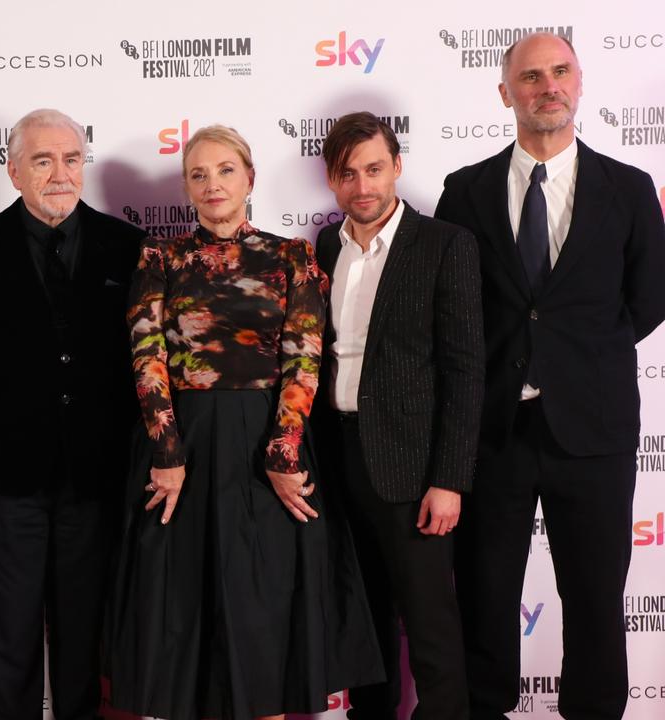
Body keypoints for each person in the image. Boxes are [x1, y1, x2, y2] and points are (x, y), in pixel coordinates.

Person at [104, 124, 382, 720]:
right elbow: (146, 355)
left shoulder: (293, 256)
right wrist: (167, 453)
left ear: (249, 178)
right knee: (182, 621)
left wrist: (283, 456)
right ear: (185, 187)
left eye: (225, 170)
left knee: (264, 623)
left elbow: (304, 358)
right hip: (181, 449)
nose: (213, 185)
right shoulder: (160, 257)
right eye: (198, 174)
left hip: (268, 448)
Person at [434, 32, 665, 720]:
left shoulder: (627, 189)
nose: (548, 86)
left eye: (560, 71)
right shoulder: (465, 190)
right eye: (530, 77)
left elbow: (649, 300)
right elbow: (452, 309)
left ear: (580, 81)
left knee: (596, 598)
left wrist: (577, 360)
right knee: (485, 594)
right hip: (493, 432)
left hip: (592, 434)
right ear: (506, 93)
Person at [0, 108, 144, 720]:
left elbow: (146, 369)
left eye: (72, 159)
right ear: (13, 169)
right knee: (8, 640)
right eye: (43, 160)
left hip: (96, 480)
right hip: (2, 482)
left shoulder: (127, 246)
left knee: (84, 640)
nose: (60, 173)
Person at [312, 111, 483, 720]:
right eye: (348, 173)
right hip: (338, 458)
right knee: (363, 618)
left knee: (430, 626)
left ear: (397, 167)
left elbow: (466, 372)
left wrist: (449, 479)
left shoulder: (445, 245)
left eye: (375, 169)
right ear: (332, 180)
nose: (363, 186)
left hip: (414, 470)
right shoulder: (325, 245)